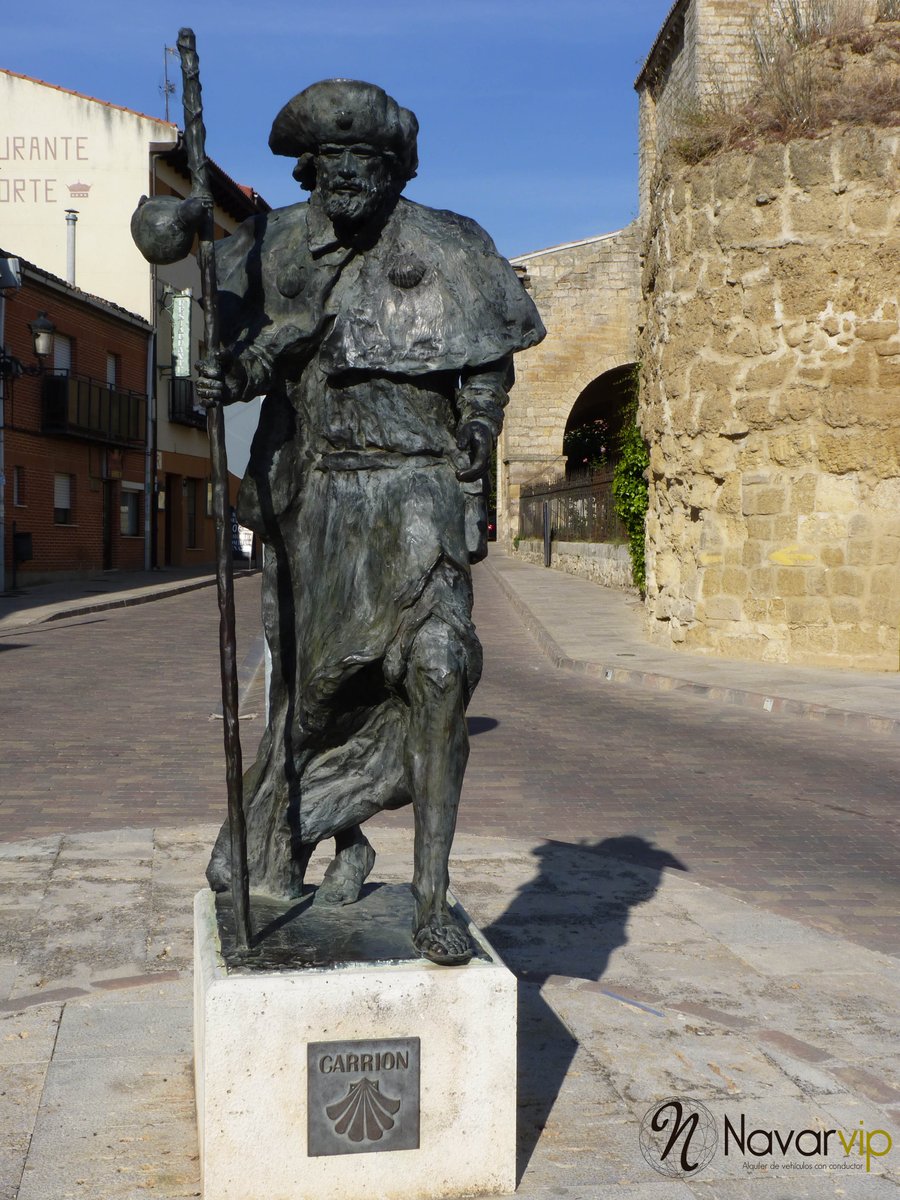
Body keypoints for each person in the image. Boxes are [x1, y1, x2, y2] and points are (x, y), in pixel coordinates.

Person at [134, 79, 544, 963]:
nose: (350, 175)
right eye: (334, 161)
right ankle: (310, 838)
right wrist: (221, 363)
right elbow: (227, 337)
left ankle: (430, 899)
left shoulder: (451, 243)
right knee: (316, 703)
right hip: (318, 501)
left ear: (395, 169)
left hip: (421, 492)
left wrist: (479, 424)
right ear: (312, 169)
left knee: (439, 671)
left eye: (367, 160)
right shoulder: (274, 244)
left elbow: (487, 360)